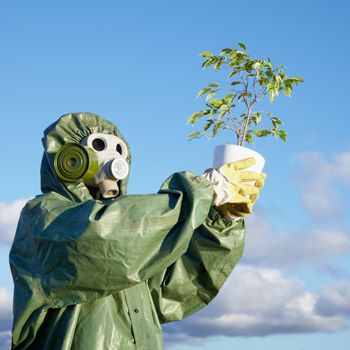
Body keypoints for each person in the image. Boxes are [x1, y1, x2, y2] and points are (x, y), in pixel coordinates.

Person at [9, 112, 266, 349]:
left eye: (119, 150)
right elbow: (102, 235)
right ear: (70, 157)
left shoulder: (133, 248)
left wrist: (218, 220)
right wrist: (199, 193)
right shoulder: (45, 216)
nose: (113, 158)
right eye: (99, 146)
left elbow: (174, 289)